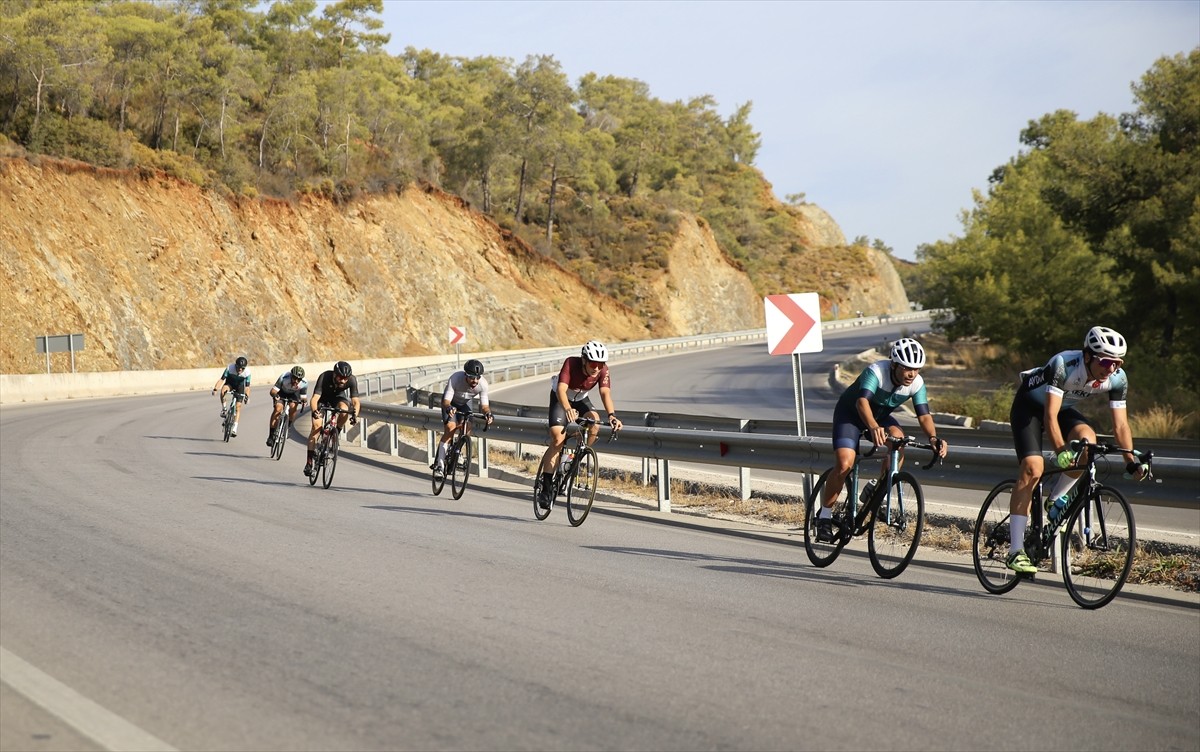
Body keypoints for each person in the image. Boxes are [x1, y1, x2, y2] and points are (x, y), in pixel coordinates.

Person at [1003, 325, 1147, 574]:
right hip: (1030, 407)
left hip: (1061, 408)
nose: (1110, 369)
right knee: (1033, 468)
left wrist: (1130, 460)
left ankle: (1056, 499)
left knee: (1088, 441)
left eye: (1117, 363)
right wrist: (1060, 452)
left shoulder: (1116, 378)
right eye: (1105, 362)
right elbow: (1048, 416)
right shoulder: (1063, 364)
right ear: (1088, 356)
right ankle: (1015, 550)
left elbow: (1120, 424)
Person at [815, 337, 948, 542]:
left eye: (916, 369)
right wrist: (873, 426)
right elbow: (861, 402)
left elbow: (923, 415)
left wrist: (933, 437)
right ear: (894, 364)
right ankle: (824, 517)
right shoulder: (876, 371)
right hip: (851, 415)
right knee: (844, 464)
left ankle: (877, 489)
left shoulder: (916, 383)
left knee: (899, 441)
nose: (912, 374)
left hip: (880, 417)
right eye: (906, 368)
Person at [535, 340, 624, 509]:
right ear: (584, 360)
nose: (596, 368)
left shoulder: (603, 370)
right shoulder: (571, 363)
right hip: (560, 400)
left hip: (581, 399)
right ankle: (546, 489)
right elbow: (561, 389)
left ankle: (575, 458)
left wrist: (612, 416)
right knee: (557, 439)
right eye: (593, 363)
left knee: (595, 422)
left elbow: (605, 393)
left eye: (600, 364)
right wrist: (568, 409)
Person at [431, 359, 495, 477]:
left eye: (477, 377)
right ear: (465, 374)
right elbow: (446, 401)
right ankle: (439, 466)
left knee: (467, 426)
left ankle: (458, 450)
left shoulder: (483, 384)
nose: (475, 381)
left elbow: (484, 406)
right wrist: (449, 408)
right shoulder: (456, 378)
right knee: (450, 427)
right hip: (450, 402)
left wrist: (488, 414)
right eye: (471, 377)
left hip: (465, 403)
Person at [304, 360, 360, 478]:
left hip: (338, 398)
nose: (343, 381)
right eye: (340, 377)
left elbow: (355, 401)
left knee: (345, 409)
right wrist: (315, 412)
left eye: (346, 378)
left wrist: (355, 414)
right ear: (334, 374)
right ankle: (309, 462)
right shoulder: (324, 376)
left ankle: (336, 431)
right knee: (316, 427)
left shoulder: (351, 380)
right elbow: (314, 399)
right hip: (322, 399)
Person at [267, 365, 308, 447]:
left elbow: (303, 397)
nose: (296, 381)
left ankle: (288, 426)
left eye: (299, 379)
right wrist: (275, 396)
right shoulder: (284, 377)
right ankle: (271, 436)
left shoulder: (304, 383)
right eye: (295, 378)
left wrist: (304, 401)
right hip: (281, 392)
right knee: (278, 409)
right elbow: (273, 391)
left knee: (293, 407)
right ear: (291, 375)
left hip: (293, 394)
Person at [211, 356, 251, 438]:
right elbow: (222, 380)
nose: (240, 370)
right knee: (223, 390)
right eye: (238, 367)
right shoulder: (229, 368)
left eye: (242, 368)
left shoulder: (247, 372)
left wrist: (247, 396)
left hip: (240, 387)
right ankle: (224, 409)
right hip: (230, 384)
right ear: (235, 365)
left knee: (238, 407)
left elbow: (247, 387)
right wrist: (215, 389)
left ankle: (235, 428)